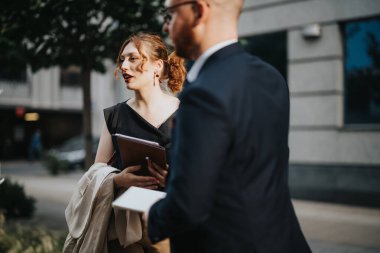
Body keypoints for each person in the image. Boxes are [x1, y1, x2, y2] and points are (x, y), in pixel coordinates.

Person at [146, 1, 312, 253]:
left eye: (170, 14)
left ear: (199, 11)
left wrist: (153, 219)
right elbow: (250, 169)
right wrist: (182, 178)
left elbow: (188, 208)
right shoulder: (271, 76)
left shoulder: (203, 92)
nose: (165, 27)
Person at [64, 33, 186, 253]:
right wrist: (118, 179)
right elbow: (97, 172)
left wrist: (174, 179)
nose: (124, 66)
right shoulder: (115, 115)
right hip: (123, 229)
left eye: (133, 59)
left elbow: (203, 174)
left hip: (171, 226)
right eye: (122, 60)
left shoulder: (185, 113)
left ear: (157, 66)